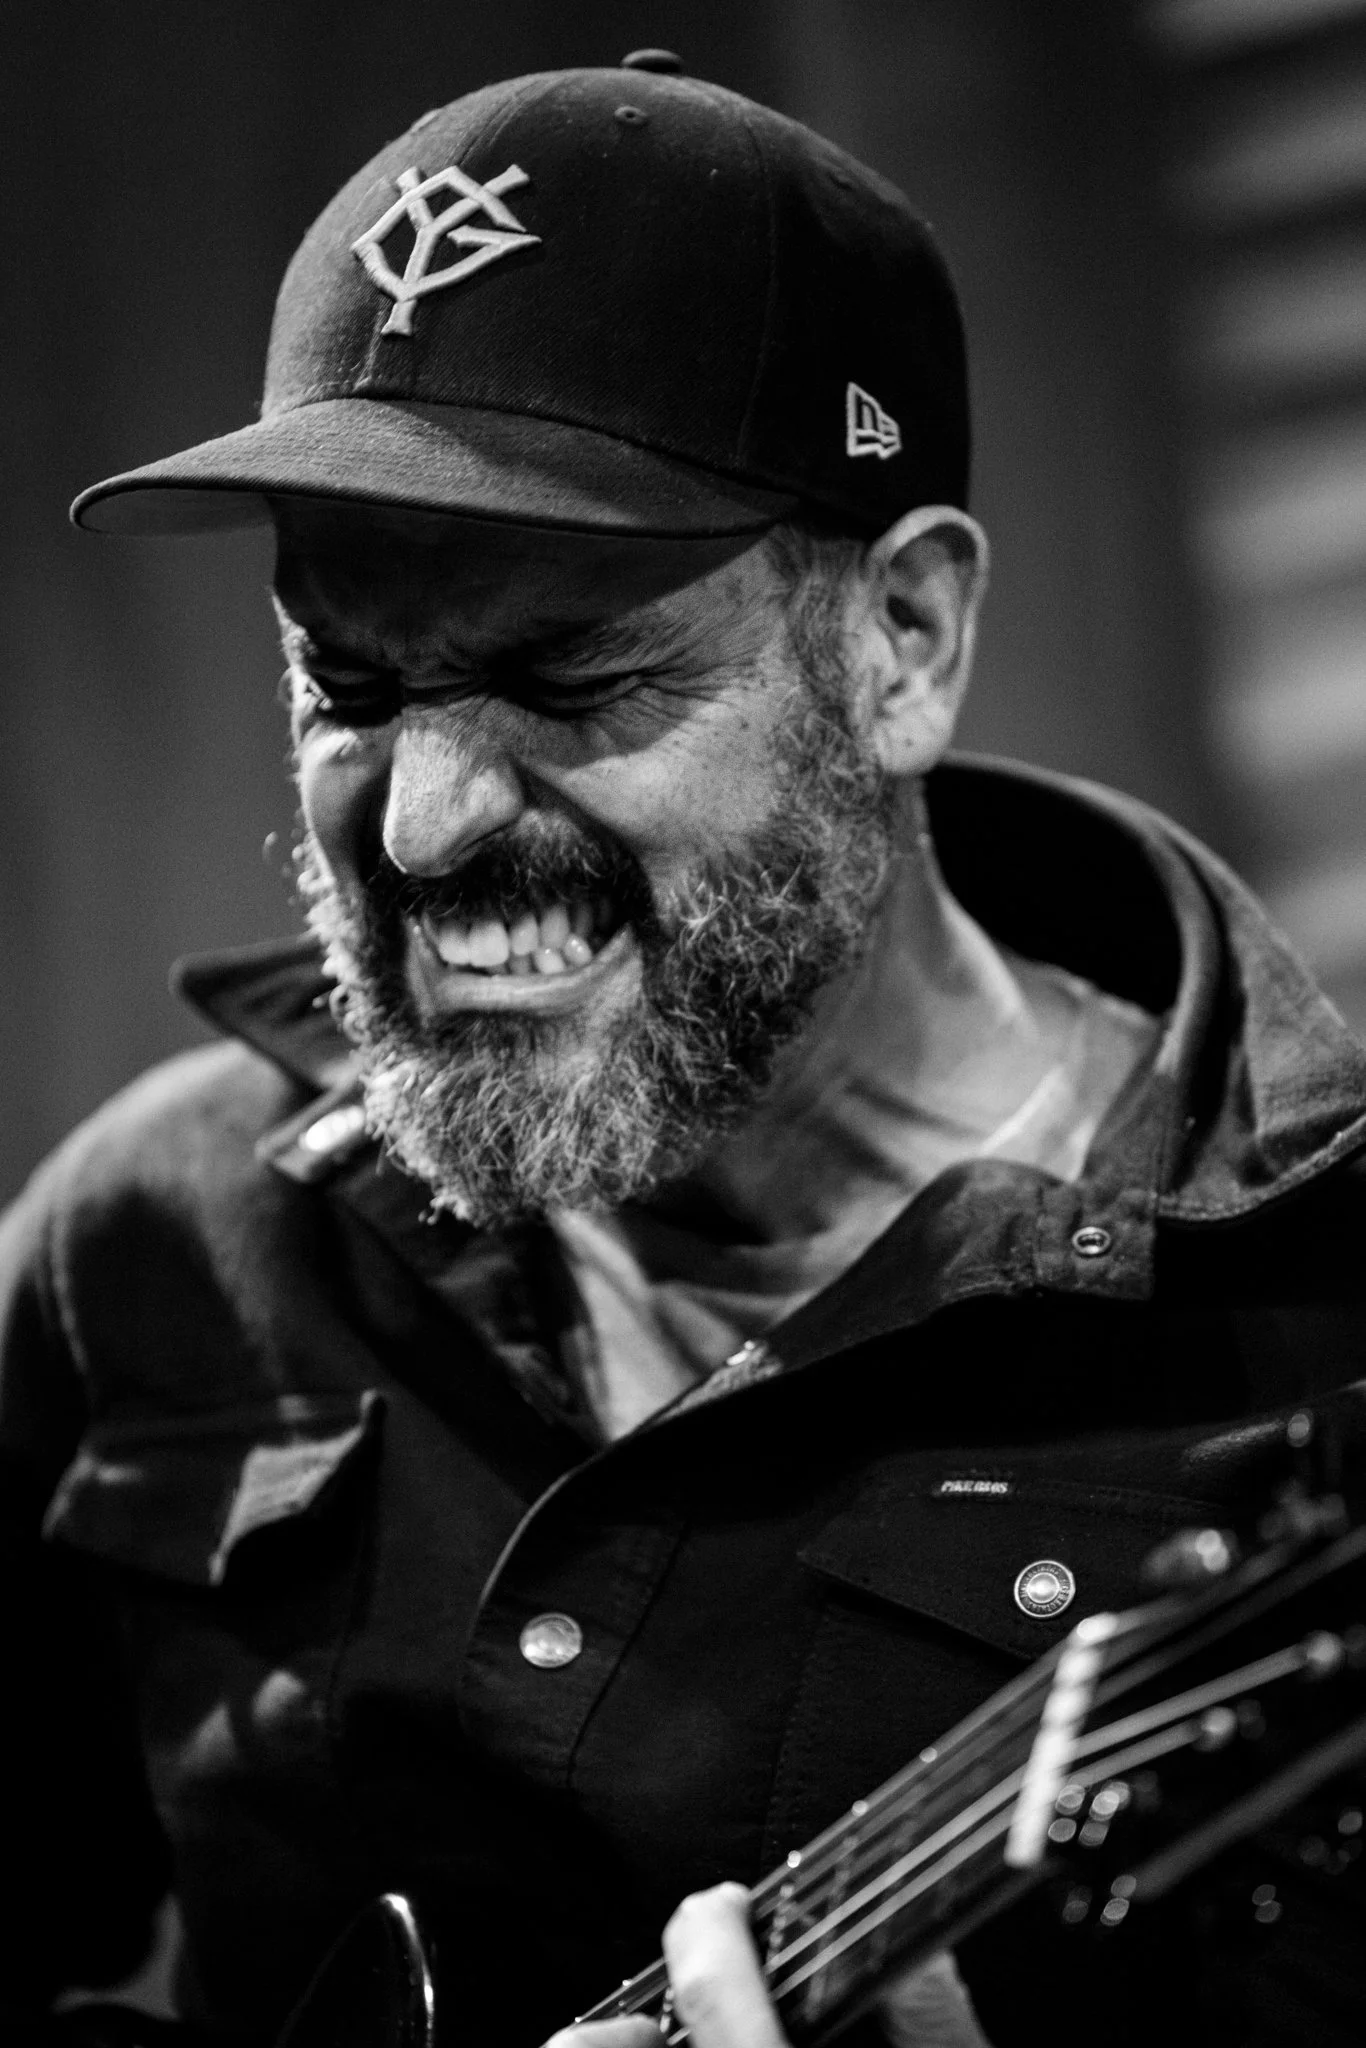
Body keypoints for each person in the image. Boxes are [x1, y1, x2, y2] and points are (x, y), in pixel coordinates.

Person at [3, 49, 1365, 2048]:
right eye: (350, 685)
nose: (426, 823)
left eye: (571, 676)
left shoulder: (1304, 1325)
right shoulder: (158, 1233)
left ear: (895, 639)